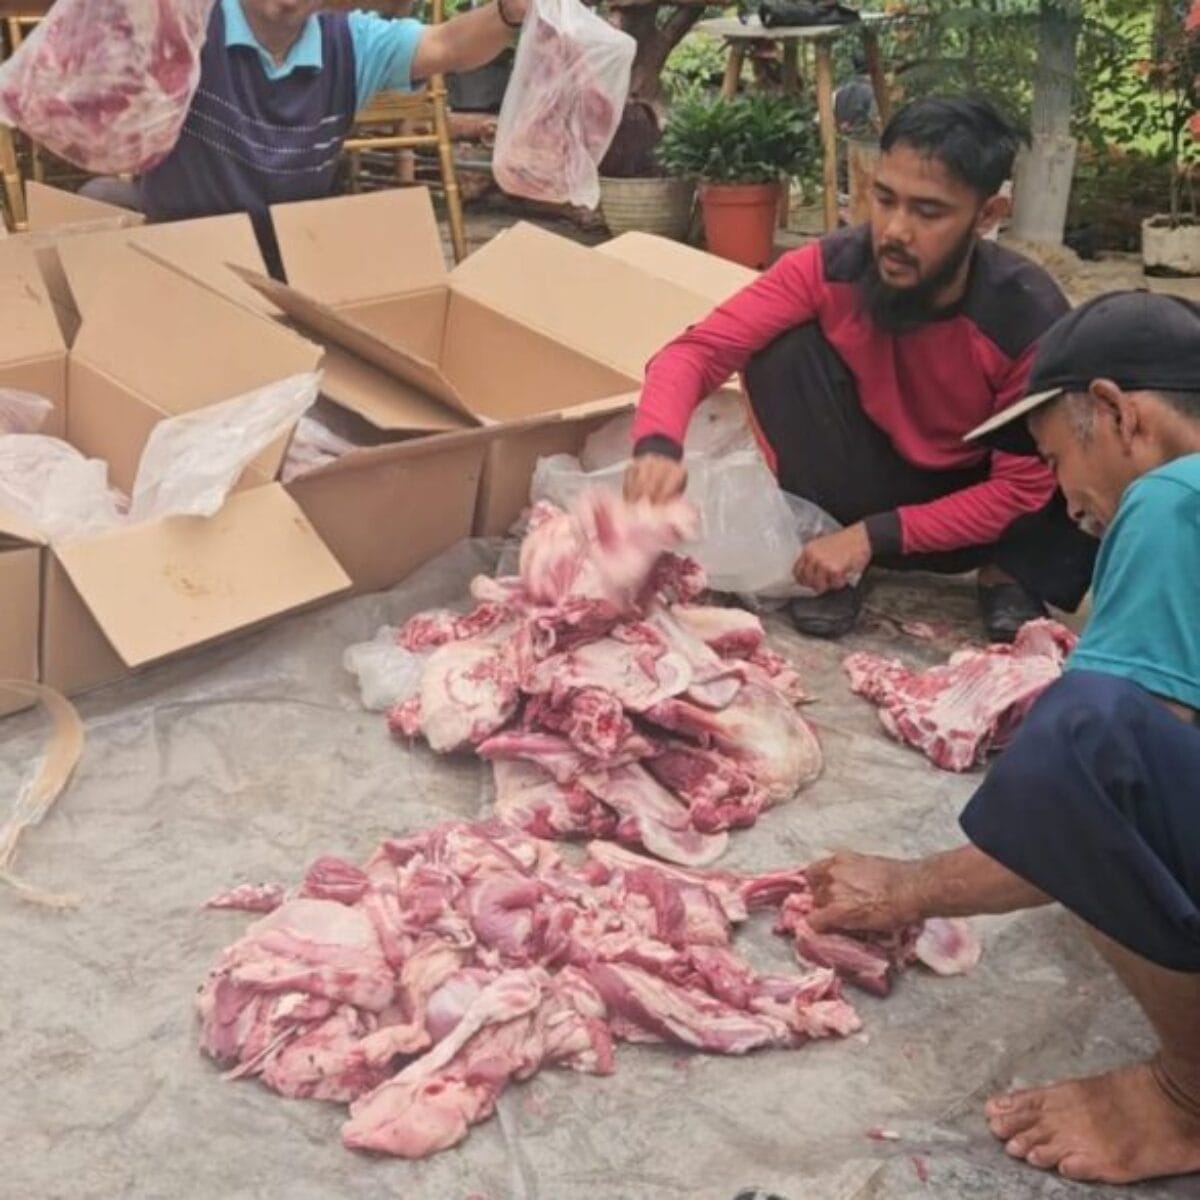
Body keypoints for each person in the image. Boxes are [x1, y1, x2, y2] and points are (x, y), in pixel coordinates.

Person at [801, 290, 1200, 1186]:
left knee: (1077, 732)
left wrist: (909, 888)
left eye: (1059, 458)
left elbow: (1103, 781)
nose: (1061, 496)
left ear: (1116, 413)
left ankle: (1190, 1098)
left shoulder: (1174, 496)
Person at [623, 95, 1097, 644]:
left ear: (988, 216)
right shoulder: (829, 267)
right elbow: (696, 351)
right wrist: (657, 447)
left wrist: (873, 535)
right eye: (885, 199)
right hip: (876, 478)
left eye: (928, 212)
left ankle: (1009, 572)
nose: (894, 230)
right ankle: (832, 553)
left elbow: (1018, 490)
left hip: (985, 504)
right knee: (783, 349)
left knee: (1100, 406)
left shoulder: (1026, 315)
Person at [83, 0, 525, 277]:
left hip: (293, 261)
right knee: (98, 195)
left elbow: (447, 44)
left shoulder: (352, 40)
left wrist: (508, 12)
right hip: (180, 254)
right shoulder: (186, 21)